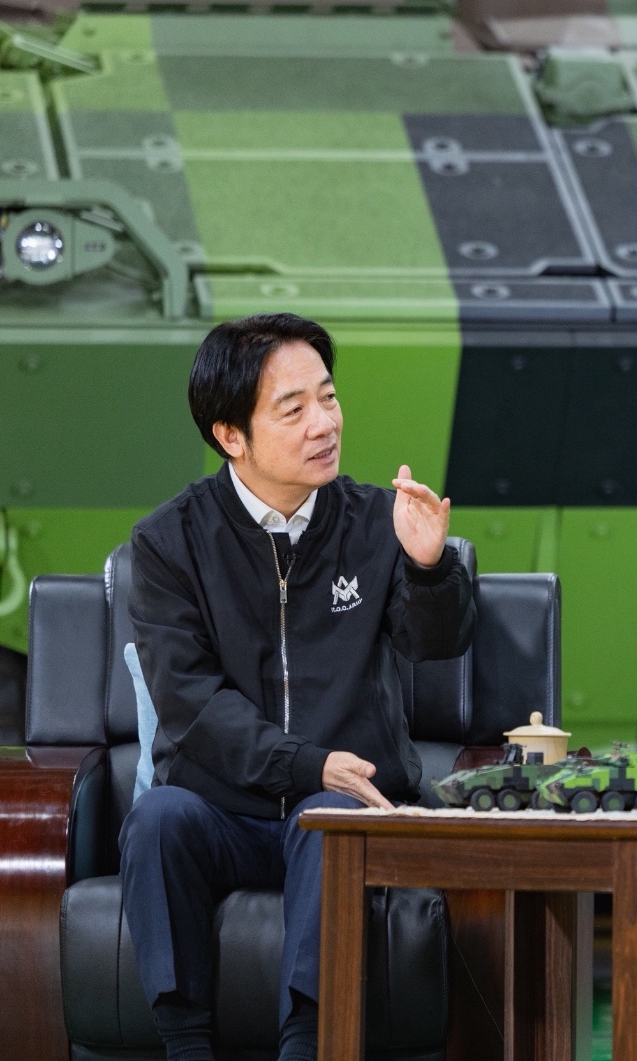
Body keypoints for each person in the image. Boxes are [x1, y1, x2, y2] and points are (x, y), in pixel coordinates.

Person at [120, 313, 477, 1061]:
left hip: (340, 811)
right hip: (226, 811)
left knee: (328, 820)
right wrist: (308, 764)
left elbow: (435, 647)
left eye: (329, 397)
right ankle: (185, 1048)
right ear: (231, 436)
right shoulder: (169, 542)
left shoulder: (376, 521)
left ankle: (308, 1046)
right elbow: (189, 704)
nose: (324, 424)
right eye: (293, 408)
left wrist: (427, 568)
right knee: (158, 817)